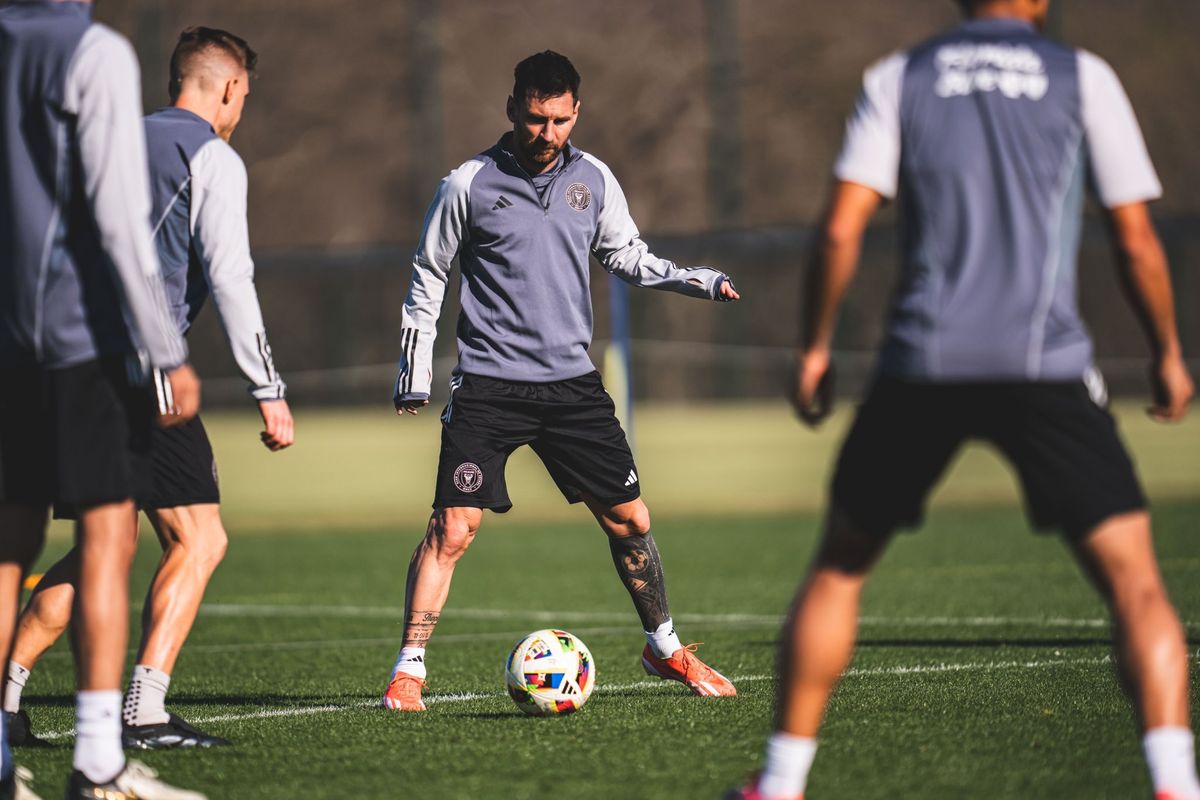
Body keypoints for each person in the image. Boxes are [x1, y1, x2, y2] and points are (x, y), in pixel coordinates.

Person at [727, 1, 1198, 798]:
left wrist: (813, 347)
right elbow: (1135, 238)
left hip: (922, 366)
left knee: (839, 570)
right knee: (1137, 585)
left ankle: (780, 782)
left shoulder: (899, 77)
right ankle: (1175, 782)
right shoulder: (1083, 77)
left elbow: (841, 230)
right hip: (1044, 366)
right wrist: (1168, 354)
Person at [383, 50, 742, 711]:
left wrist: (696, 278)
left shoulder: (596, 180)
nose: (546, 134)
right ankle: (409, 670)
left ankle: (663, 648)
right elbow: (429, 272)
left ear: (576, 113)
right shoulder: (468, 182)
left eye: (559, 120)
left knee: (631, 521)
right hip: (490, 383)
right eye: (534, 118)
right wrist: (413, 368)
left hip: (571, 386)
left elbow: (625, 255)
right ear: (513, 108)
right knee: (452, 528)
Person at [4, 26, 293, 753]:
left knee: (109, 537)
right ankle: (145, 709)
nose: (241, 111)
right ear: (228, 87)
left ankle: (6, 704)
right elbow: (231, 277)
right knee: (200, 537)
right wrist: (269, 387)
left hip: (59, 359)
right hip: (142, 370)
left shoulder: (110, 138)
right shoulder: (213, 159)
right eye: (244, 97)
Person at [0, 2, 210, 798]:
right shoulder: (94, 53)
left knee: (8, 545)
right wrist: (165, 349)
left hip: (7, 344)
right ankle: (98, 765)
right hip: (80, 339)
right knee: (107, 539)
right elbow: (120, 219)